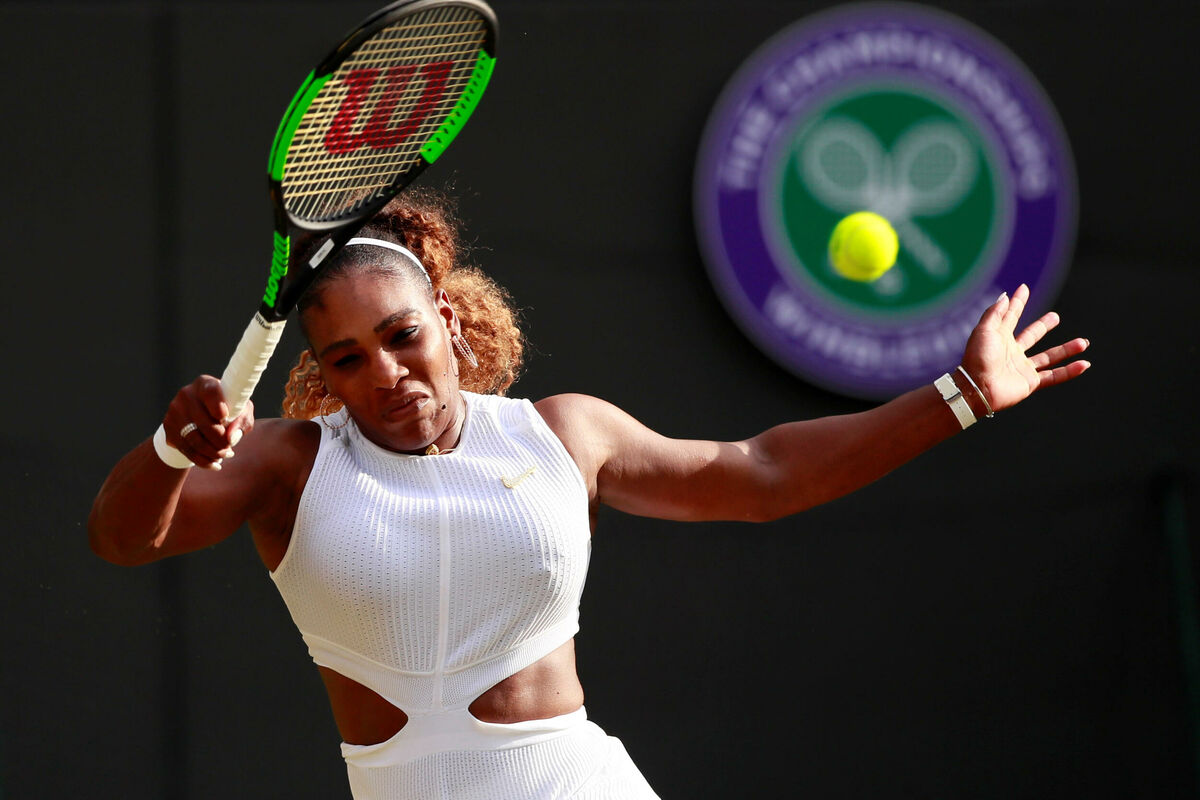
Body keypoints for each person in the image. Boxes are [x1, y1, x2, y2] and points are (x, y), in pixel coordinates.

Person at [89, 190, 1090, 800]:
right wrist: (171, 451)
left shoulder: (561, 433)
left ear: (446, 322)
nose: (385, 371)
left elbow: (764, 474)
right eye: (348, 357)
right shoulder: (287, 463)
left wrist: (961, 397)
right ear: (323, 374)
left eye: (402, 335)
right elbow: (123, 539)